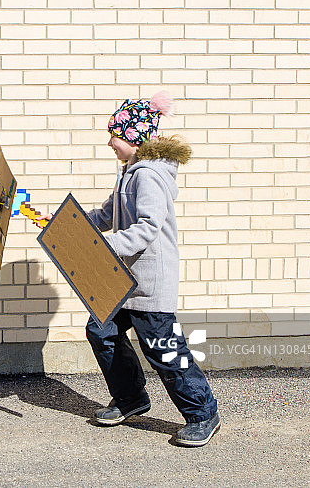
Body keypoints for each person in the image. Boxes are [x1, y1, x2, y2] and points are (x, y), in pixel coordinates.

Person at [50, 92, 220, 446]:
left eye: (115, 135)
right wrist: (65, 227)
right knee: (101, 331)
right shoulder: (127, 173)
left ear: (135, 137)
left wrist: (102, 247)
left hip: (149, 282)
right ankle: (131, 399)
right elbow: (106, 215)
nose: (109, 142)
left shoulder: (149, 176)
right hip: (122, 281)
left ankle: (203, 413)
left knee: (163, 348)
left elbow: (147, 228)